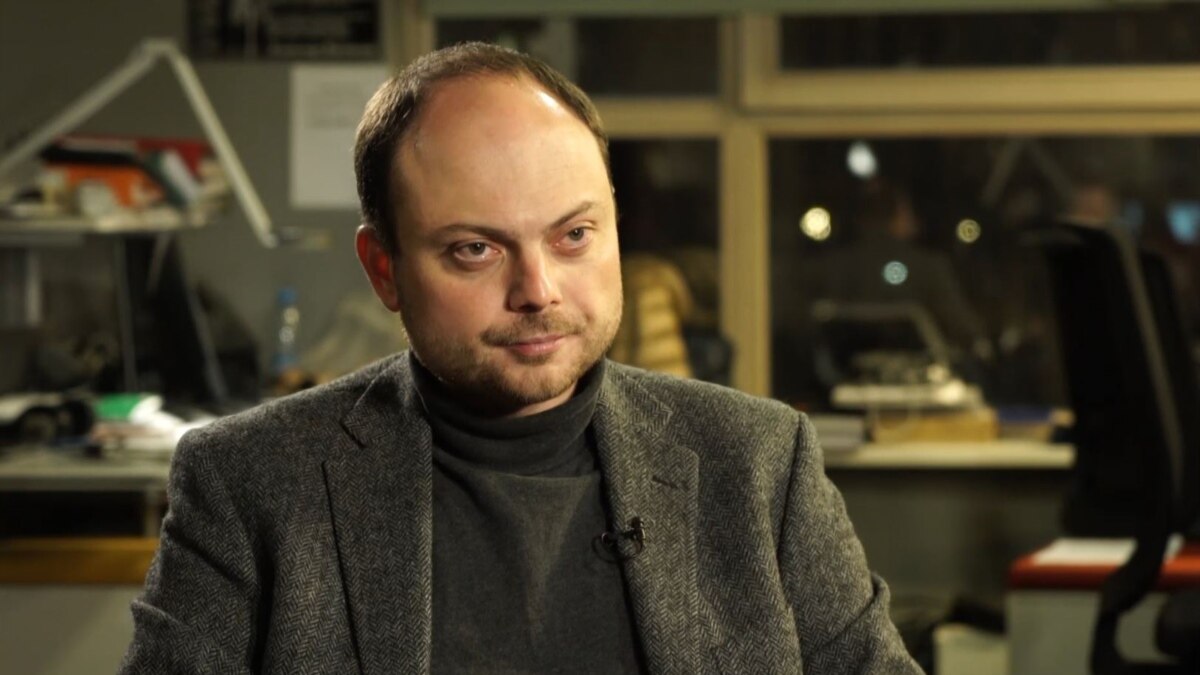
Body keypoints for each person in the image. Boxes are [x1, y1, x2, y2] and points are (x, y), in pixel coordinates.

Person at [119, 43, 919, 674]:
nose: (537, 290)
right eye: (474, 249)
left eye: (574, 235)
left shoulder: (761, 464)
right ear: (384, 269)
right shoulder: (248, 483)